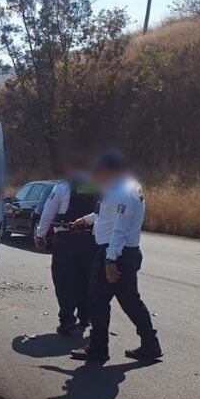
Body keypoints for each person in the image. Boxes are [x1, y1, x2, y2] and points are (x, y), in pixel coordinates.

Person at [69, 150, 162, 363]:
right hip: (121, 252)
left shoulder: (123, 192)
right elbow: (106, 214)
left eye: (99, 170)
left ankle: (98, 349)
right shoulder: (120, 187)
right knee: (130, 301)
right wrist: (84, 220)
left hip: (115, 253)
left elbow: (120, 229)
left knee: (96, 300)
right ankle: (150, 344)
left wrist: (110, 261)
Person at [34, 159, 99, 335]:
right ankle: (85, 316)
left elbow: (48, 212)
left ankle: (67, 320)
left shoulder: (62, 187)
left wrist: (40, 235)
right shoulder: (96, 187)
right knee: (86, 280)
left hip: (66, 239)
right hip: (90, 240)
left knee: (64, 281)